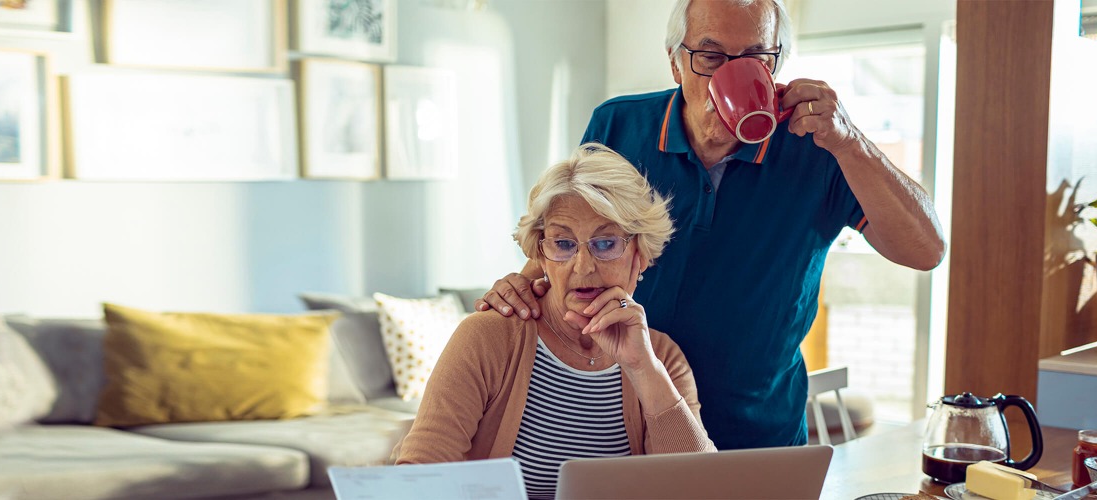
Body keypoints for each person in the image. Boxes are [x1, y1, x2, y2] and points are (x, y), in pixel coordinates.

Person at [475, 0, 945, 450]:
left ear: (776, 65)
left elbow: (927, 251)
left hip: (759, 437)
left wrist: (851, 141)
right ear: (675, 63)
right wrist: (523, 282)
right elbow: (573, 238)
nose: (729, 75)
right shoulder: (619, 126)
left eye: (755, 57)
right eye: (711, 55)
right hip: (627, 428)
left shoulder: (819, 146)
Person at [397, 144, 716, 499]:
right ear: (541, 255)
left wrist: (643, 369)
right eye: (563, 244)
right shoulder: (488, 337)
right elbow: (418, 478)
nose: (583, 266)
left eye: (605, 243)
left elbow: (701, 488)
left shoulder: (662, 359)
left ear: (639, 255)